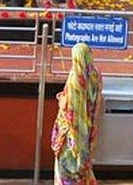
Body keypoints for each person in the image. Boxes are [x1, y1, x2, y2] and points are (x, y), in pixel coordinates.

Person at [51, 43, 102, 185]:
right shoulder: (96, 75)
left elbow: (68, 108)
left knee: (67, 169)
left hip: (72, 133)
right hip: (87, 128)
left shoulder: (75, 79)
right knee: (83, 167)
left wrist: (61, 98)